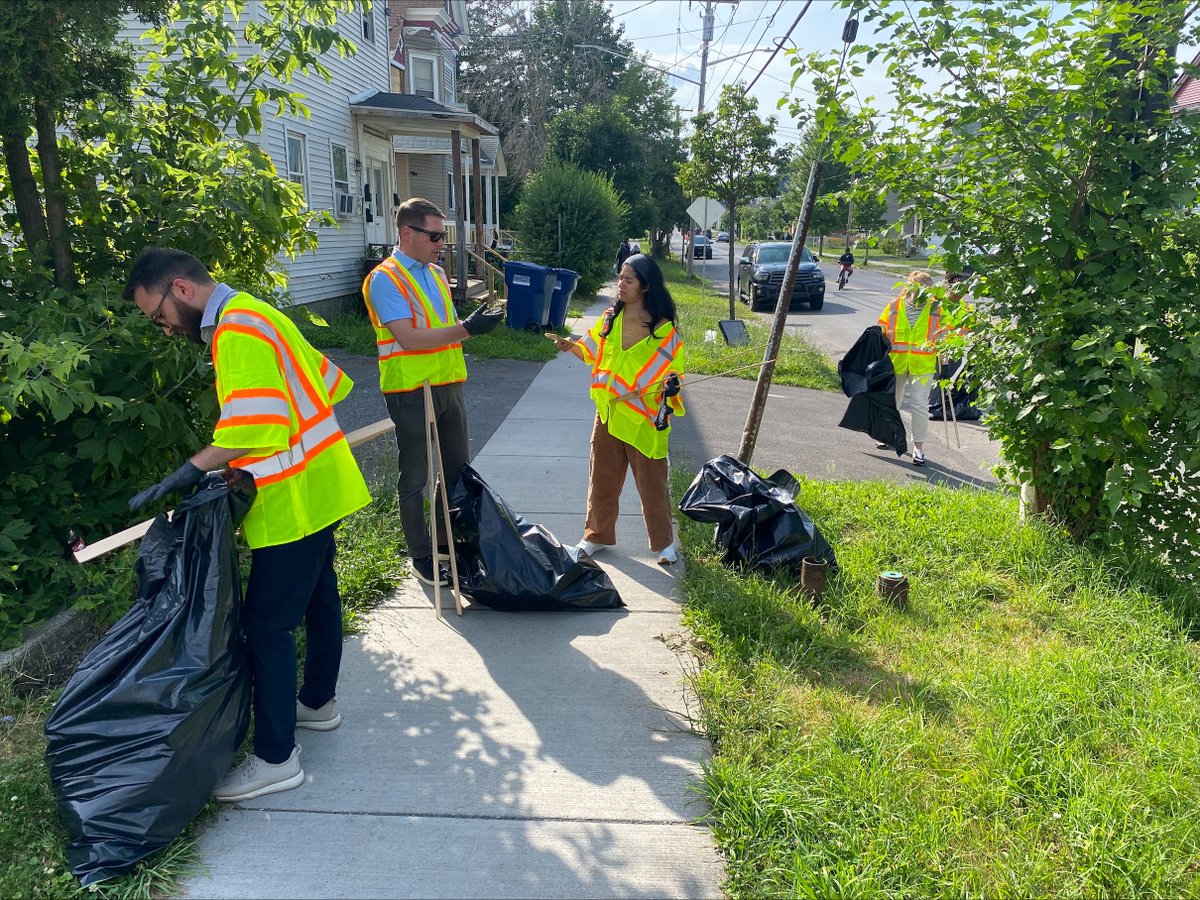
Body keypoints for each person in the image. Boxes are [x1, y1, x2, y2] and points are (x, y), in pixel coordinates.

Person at [124, 247, 372, 802]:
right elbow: (330, 383)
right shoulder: (260, 313)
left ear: (181, 289)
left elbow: (251, 426)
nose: (163, 329)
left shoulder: (236, 330)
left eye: (157, 316)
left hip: (292, 499)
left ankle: (277, 757)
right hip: (320, 480)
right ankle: (317, 704)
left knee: (267, 625)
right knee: (319, 599)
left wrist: (187, 471)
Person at [362, 197, 503, 587]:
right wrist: (466, 331)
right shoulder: (385, 279)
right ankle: (421, 554)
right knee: (416, 475)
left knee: (457, 470)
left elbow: (446, 324)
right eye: (435, 235)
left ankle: (447, 544)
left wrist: (467, 324)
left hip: (447, 382)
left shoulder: (436, 274)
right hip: (410, 389)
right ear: (407, 233)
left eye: (444, 235)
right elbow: (407, 338)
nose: (442, 242)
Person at [548, 254, 685, 565]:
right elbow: (591, 349)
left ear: (645, 286)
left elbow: (674, 371)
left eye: (629, 280)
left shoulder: (663, 330)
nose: (620, 284)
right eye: (620, 278)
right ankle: (595, 536)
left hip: (644, 420)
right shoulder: (610, 319)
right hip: (608, 414)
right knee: (602, 481)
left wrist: (672, 384)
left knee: (652, 484)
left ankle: (664, 544)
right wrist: (571, 346)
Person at [875, 270, 943, 466]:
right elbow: (881, 327)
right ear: (912, 288)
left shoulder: (936, 308)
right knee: (892, 401)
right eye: (922, 290)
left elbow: (953, 327)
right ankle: (886, 435)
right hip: (896, 362)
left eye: (929, 292)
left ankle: (918, 448)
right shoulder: (895, 306)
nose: (926, 295)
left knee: (920, 405)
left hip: (923, 364)